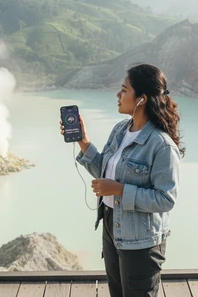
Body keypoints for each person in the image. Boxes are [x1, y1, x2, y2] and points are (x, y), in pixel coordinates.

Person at [59, 63, 184, 297]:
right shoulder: (120, 130)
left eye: (124, 90)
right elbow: (104, 171)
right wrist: (83, 140)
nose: (118, 95)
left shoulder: (161, 145)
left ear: (142, 99)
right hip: (112, 227)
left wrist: (118, 190)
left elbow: (165, 199)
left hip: (141, 242)